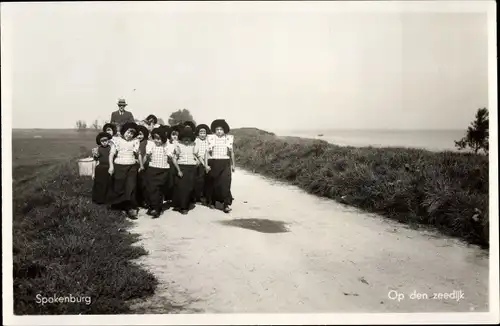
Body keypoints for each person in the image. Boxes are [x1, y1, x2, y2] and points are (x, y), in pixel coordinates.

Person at [107, 122, 144, 219]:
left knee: (131, 186)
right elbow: (111, 154)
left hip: (132, 166)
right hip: (119, 166)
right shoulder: (117, 140)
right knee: (119, 187)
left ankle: (130, 208)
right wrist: (111, 166)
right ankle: (118, 206)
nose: (129, 135)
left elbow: (138, 154)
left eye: (132, 133)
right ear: (124, 131)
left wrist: (141, 165)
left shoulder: (135, 142)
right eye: (128, 132)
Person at [170, 128, 204, 215]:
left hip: (191, 169)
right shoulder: (178, 146)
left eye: (188, 139)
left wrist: (200, 163)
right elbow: (174, 159)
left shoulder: (193, 145)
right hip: (181, 168)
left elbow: (199, 156)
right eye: (184, 139)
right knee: (181, 188)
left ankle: (185, 204)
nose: (186, 141)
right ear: (182, 138)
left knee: (189, 188)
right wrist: (178, 170)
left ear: (191, 139)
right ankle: (182, 207)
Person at [205, 119, 235, 213]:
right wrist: (206, 165)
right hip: (214, 162)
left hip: (225, 162)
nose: (219, 131)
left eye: (221, 129)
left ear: (224, 130)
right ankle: (212, 202)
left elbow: (232, 153)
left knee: (225, 183)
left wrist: (233, 165)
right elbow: (207, 152)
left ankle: (226, 204)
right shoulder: (211, 138)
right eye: (217, 129)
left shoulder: (228, 138)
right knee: (215, 184)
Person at [144, 128, 172, 218]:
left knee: (159, 189)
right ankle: (152, 207)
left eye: (159, 139)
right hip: (152, 169)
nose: (157, 141)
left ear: (163, 139)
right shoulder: (151, 145)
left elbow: (171, 157)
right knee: (151, 189)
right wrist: (141, 165)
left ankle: (157, 208)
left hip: (163, 170)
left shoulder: (166, 146)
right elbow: (146, 156)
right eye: (155, 138)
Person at [92, 132, 113, 205]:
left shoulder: (111, 148)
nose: (104, 142)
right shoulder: (97, 149)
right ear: (99, 141)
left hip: (109, 168)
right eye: (102, 141)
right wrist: (93, 173)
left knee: (109, 184)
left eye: (106, 140)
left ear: (108, 140)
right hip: (100, 169)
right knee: (100, 184)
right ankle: (99, 200)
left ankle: (108, 200)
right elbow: (94, 161)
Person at [193, 124, 211, 204]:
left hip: (207, 160)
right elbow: (194, 152)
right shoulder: (196, 141)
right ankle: (198, 197)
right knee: (199, 180)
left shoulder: (208, 140)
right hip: (199, 161)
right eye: (201, 133)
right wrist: (197, 160)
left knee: (208, 179)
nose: (203, 134)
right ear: (198, 133)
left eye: (204, 133)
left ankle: (207, 196)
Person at [136, 125, 150, 208]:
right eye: (137, 134)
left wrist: (142, 164)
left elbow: (146, 155)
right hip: (136, 164)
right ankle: (138, 200)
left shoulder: (146, 143)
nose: (139, 136)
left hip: (145, 165)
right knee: (137, 183)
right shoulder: (135, 142)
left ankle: (145, 200)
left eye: (140, 134)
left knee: (144, 184)